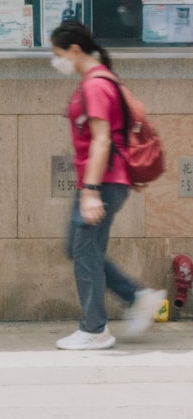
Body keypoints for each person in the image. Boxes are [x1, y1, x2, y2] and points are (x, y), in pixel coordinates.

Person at [49, 20, 165, 350]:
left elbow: (101, 141)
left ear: (74, 50)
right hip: (104, 180)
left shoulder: (96, 85)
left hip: (102, 182)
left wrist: (90, 192)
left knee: (85, 252)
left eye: (58, 54)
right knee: (78, 248)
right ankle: (137, 296)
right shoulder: (99, 80)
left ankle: (94, 329)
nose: (56, 61)